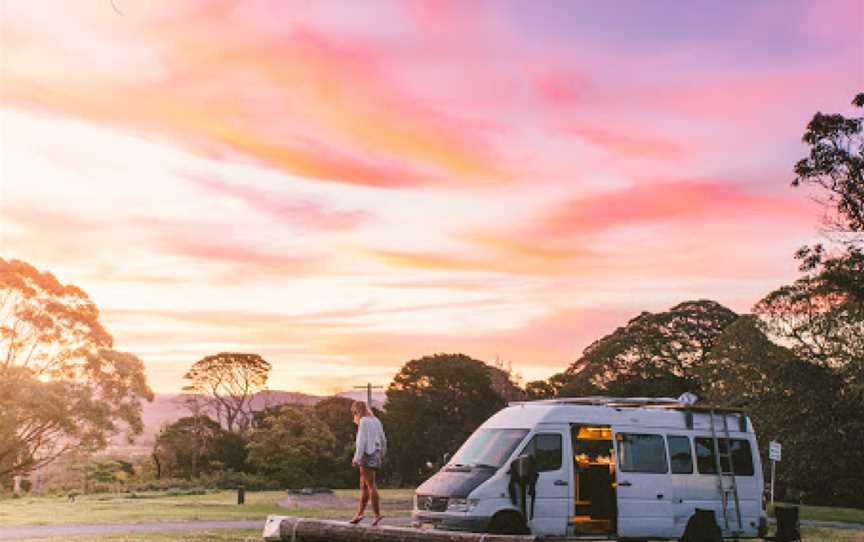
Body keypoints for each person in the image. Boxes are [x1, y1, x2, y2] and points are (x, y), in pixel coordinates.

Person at [349, 400, 387, 526]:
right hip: (376, 453)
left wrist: (356, 458)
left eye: (354, 412)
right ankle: (359, 514)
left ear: (357, 411)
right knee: (363, 485)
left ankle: (377, 515)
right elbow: (383, 439)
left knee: (370, 485)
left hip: (367, 454)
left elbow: (361, 442)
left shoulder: (363, 421)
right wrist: (382, 454)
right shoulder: (376, 420)